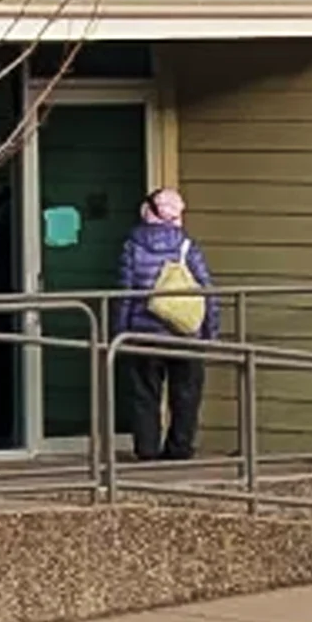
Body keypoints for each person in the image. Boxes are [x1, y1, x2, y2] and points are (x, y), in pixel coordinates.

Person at [113, 187, 218, 463]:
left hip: (143, 333)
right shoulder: (187, 246)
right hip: (185, 332)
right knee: (186, 394)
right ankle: (180, 448)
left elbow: (126, 295)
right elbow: (206, 289)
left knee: (145, 394)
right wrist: (210, 331)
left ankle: (147, 450)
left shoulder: (132, 247)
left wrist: (120, 332)